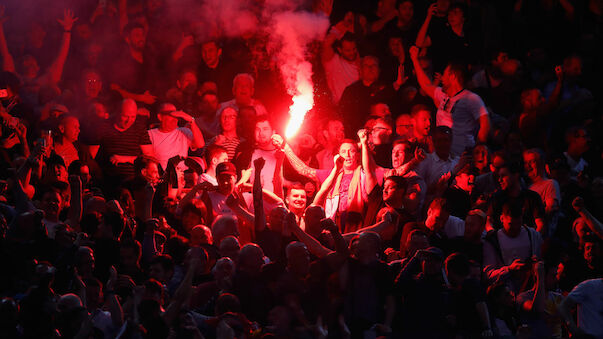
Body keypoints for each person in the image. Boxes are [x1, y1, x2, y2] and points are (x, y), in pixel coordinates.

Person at [409, 45, 490, 156]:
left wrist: (478, 148)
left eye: (445, 74)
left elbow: (485, 122)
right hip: (443, 156)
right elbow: (426, 85)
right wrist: (414, 60)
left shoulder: (471, 98)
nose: (442, 78)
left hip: (460, 156)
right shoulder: (443, 95)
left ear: (452, 76)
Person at [92, 99, 154, 187]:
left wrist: (126, 159)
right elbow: (92, 156)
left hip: (134, 180)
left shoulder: (139, 128)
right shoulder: (104, 127)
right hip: (109, 180)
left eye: (133, 117)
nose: (129, 121)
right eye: (125, 116)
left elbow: (150, 159)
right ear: (117, 113)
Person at [147, 102, 205, 170]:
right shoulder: (150, 134)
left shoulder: (183, 132)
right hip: (161, 175)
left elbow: (200, 144)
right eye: (171, 115)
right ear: (160, 117)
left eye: (177, 116)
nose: (174, 119)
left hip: (181, 174)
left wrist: (192, 121)